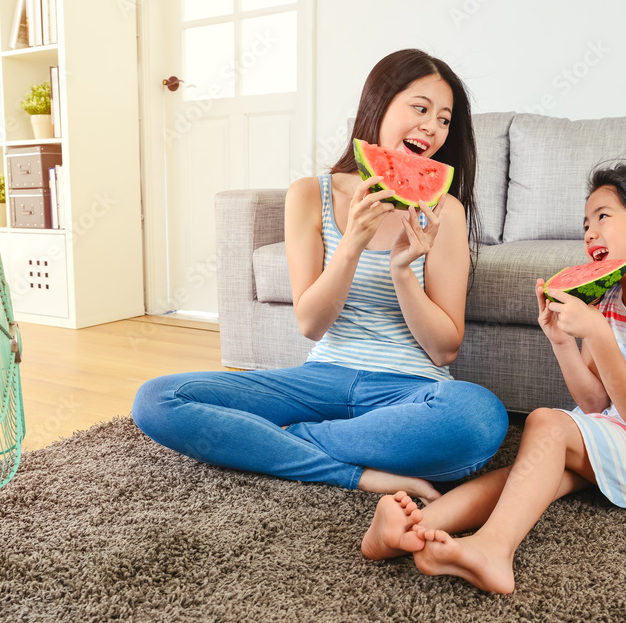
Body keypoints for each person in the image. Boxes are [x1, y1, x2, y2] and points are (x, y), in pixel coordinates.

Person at [132, 49, 508, 502]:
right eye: (420, 108)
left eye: (445, 120)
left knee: (479, 419)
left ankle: (283, 440)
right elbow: (311, 324)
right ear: (379, 104)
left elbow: (444, 349)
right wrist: (350, 245)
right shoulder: (310, 194)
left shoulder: (444, 210)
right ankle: (358, 471)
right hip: (318, 381)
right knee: (157, 400)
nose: (433, 127)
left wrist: (403, 271)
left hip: (409, 391)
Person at [361, 163, 626, 593]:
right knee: (529, 475)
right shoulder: (608, 301)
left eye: (603, 216)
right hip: (619, 431)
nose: (588, 232)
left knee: (547, 425)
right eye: (585, 222)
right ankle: (413, 528)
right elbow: (592, 403)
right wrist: (563, 342)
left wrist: (599, 334)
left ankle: (493, 549)